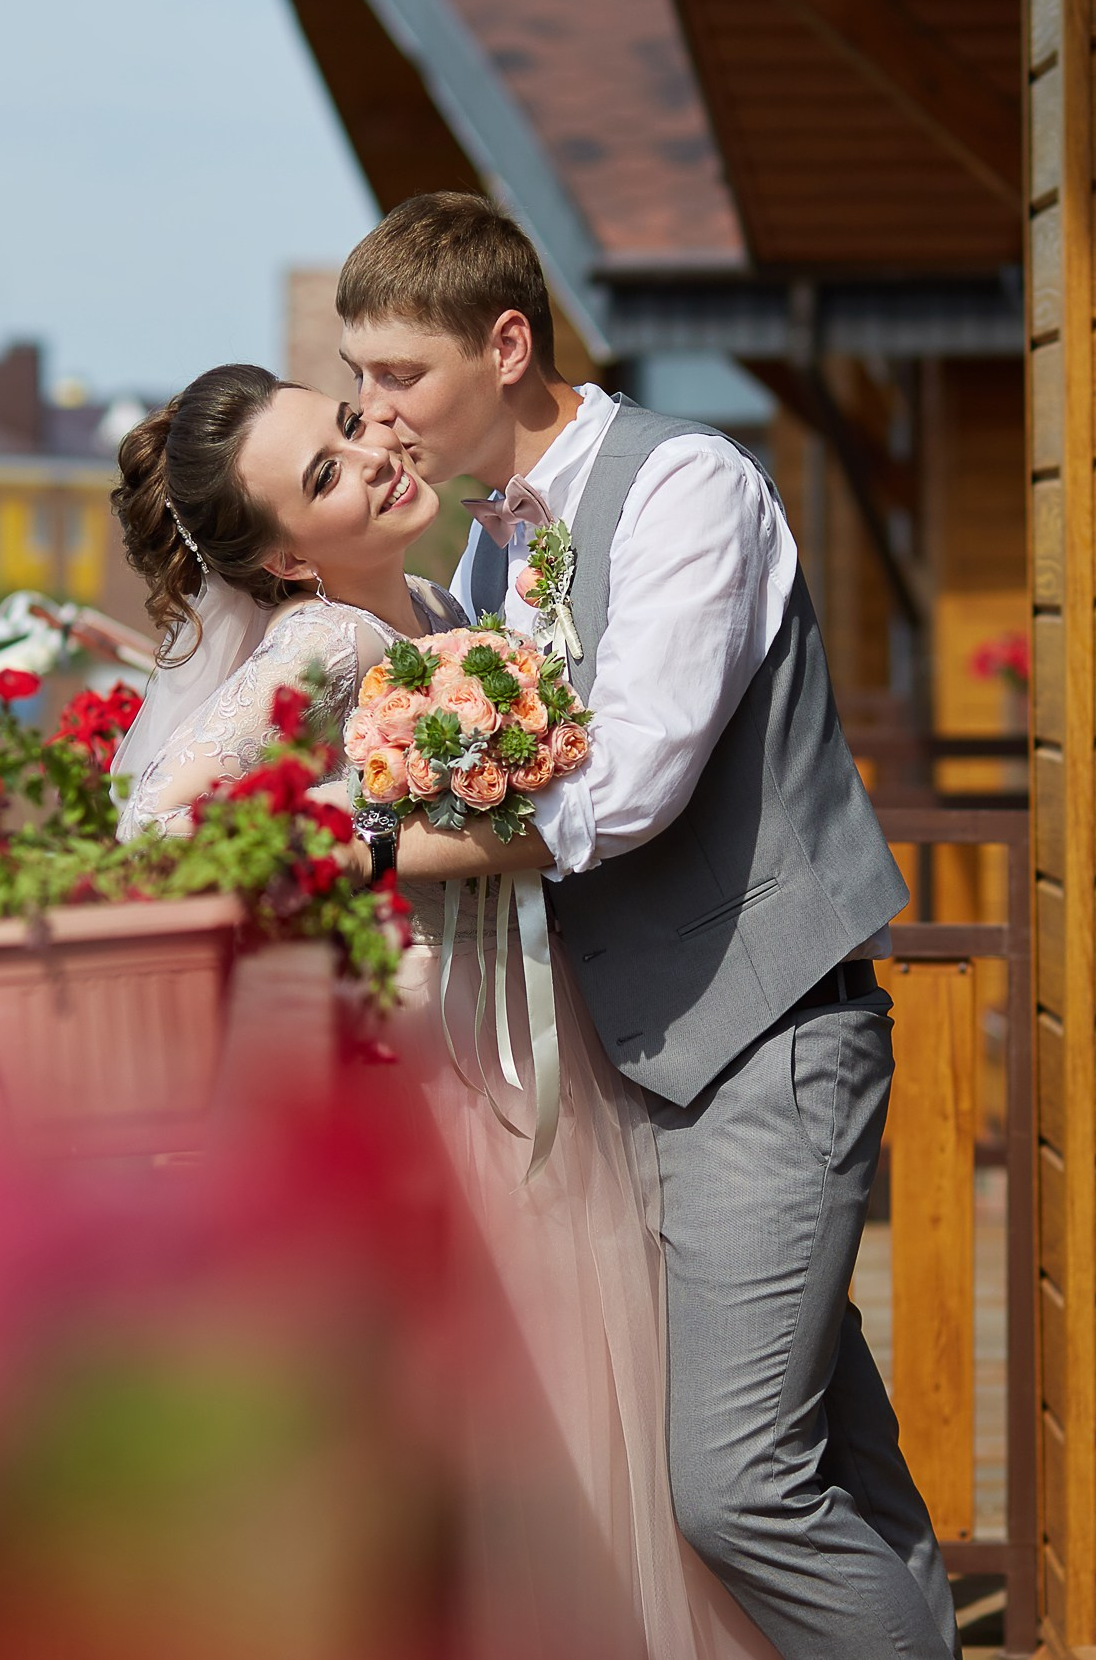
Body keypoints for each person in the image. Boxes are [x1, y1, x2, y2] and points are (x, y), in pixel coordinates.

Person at [340, 193, 958, 1660]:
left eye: (399, 377)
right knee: (827, 1460)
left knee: (736, 1488)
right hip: (635, 1065)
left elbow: (626, 787)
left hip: (765, 1041)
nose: (376, 416)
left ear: (506, 343)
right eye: (359, 379)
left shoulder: (688, 486)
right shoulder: (488, 553)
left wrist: (361, 841)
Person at [107, 362, 777, 1660]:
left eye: (350, 426)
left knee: (592, 1409)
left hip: (523, 1031)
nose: (370, 456)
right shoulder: (332, 640)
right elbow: (161, 822)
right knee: (524, 1429)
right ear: (291, 562)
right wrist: (375, 843)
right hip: (454, 1057)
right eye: (324, 474)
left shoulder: (425, 601)